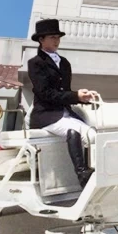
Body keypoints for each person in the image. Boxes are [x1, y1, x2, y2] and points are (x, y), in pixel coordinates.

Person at [27, 18, 98, 185]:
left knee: (93, 135)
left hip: (65, 113)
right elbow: (46, 94)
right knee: (74, 130)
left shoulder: (64, 63)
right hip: (46, 115)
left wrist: (84, 98)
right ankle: (81, 174)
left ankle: (94, 170)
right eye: (52, 37)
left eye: (58, 37)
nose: (56, 40)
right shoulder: (35, 64)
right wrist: (75, 96)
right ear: (41, 40)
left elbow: (65, 92)